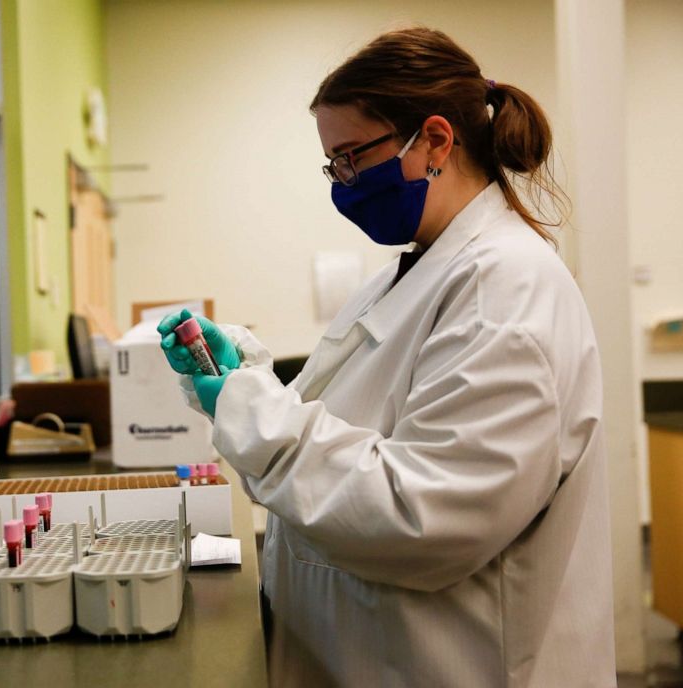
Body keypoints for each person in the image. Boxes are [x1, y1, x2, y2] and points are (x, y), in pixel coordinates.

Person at [158, 26, 615, 688]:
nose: (342, 183)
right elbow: (345, 430)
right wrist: (240, 380)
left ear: (434, 139)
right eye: (333, 165)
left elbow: (422, 518)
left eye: (350, 157)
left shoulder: (503, 288)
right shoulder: (414, 273)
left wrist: (250, 412)